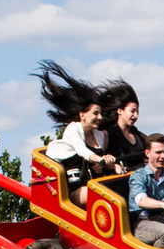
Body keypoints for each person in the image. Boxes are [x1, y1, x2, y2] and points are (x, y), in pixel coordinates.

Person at [34, 61, 121, 200]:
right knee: (101, 195)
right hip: (71, 189)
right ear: (82, 115)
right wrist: (100, 159)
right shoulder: (73, 129)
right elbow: (82, 151)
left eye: (101, 114)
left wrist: (108, 165)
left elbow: (97, 165)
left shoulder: (100, 136)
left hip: (91, 182)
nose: (100, 117)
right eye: (95, 113)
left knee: (117, 189)